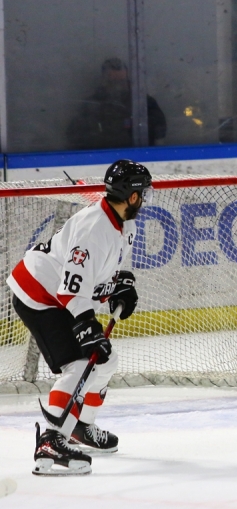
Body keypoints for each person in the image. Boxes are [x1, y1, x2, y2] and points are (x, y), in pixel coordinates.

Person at [6, 159, 151, 476]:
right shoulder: (93, 229)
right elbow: (71, 290)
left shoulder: (124, 225)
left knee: (105, 361)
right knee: (81, 363)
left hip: (56, 292)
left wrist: (116, 287)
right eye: (144, 192)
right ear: (133, 196)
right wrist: (87, 328)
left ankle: (80, 427)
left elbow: (93, 276)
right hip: (38, 295)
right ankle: (51, 442)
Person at [67, 58, 167, 150]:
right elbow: (74, 136)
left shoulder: (143, 102)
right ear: (103, 80)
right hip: (99, 159)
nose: (117, 86)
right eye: (112, 81)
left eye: (121, 81)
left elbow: (160, 130)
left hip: (136, 157)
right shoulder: (90, 105)